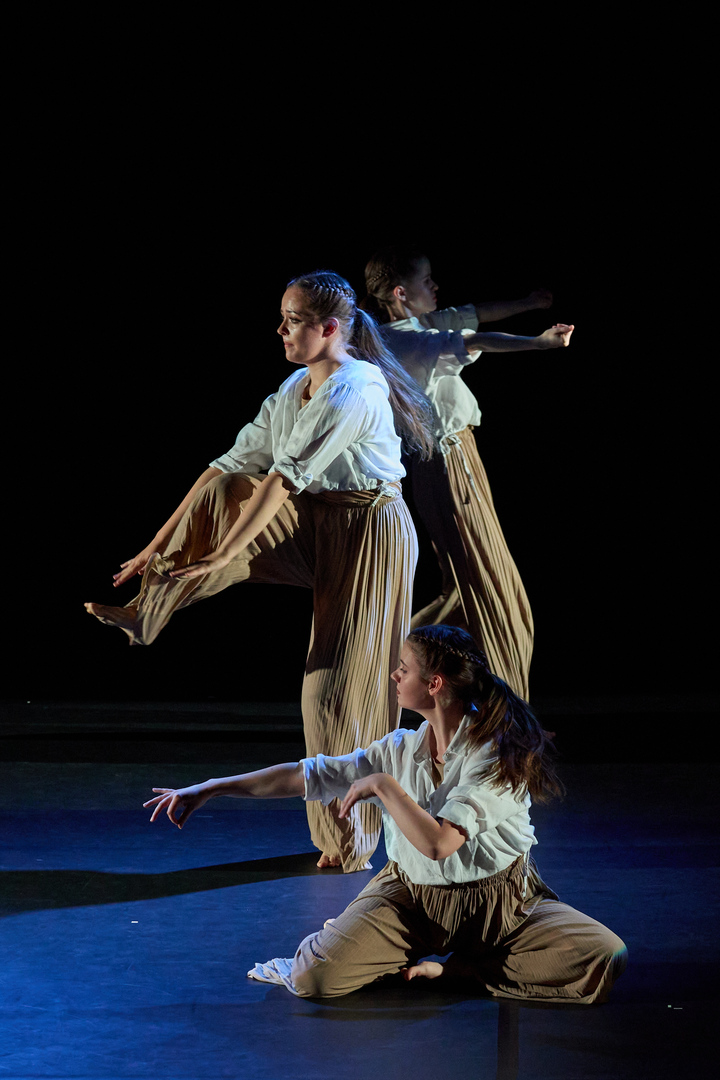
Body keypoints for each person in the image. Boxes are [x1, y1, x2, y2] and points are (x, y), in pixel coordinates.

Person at [86, 270, 435, 873]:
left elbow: (284, 479)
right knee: (223, 489)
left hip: (371, 537)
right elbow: (225, 466)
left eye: (293, 321)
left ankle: (349, 841)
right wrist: (154, 547)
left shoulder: (355, 388)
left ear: (330, 329)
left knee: (334, 692)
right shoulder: (295, 386)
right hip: (318, 523)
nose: (280, 330)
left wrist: (225, 555)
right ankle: (148, 612)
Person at [144, 624, 627, 1003]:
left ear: (434, 684)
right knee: (314, 978)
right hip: (410, 899)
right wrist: (210, 788)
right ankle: (387, 946)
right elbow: (305, 775)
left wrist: (383, 786)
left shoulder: (496, 755)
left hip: (500, 905)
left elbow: (439, 844)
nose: (395, 676)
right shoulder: (399, 749)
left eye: (403, 669)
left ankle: (458, 970)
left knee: (602, 954)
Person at [363, 246, 575, 700]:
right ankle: (382, 664)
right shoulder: (407, 341)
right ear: (400, 293)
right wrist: (539, 343)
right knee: (488, 588)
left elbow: (474, 315)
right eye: (426, 281)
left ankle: (389, 664)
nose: (435, 286)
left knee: (472, 588)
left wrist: (528, 302)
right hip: (448, 464)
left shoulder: (418, 325)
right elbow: (474, 339)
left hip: (453, 461)